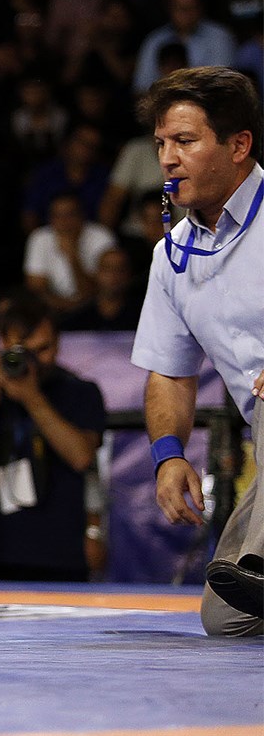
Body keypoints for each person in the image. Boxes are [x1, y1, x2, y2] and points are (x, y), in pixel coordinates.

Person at [130, 66, 264, 636]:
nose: (167, 159)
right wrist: (169, 455)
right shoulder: (172, 257)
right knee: (228, 616)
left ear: (239, 145)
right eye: (161, 143)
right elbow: (170, 372)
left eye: (184, 141)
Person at [0, 293, 107, 581]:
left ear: (58, 343)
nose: (35, 362)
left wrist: (32, 397)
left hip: (61, 553)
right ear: (3, 343)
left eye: (44, 349)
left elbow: (82, 457)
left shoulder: (80, 391)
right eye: (24, 351)